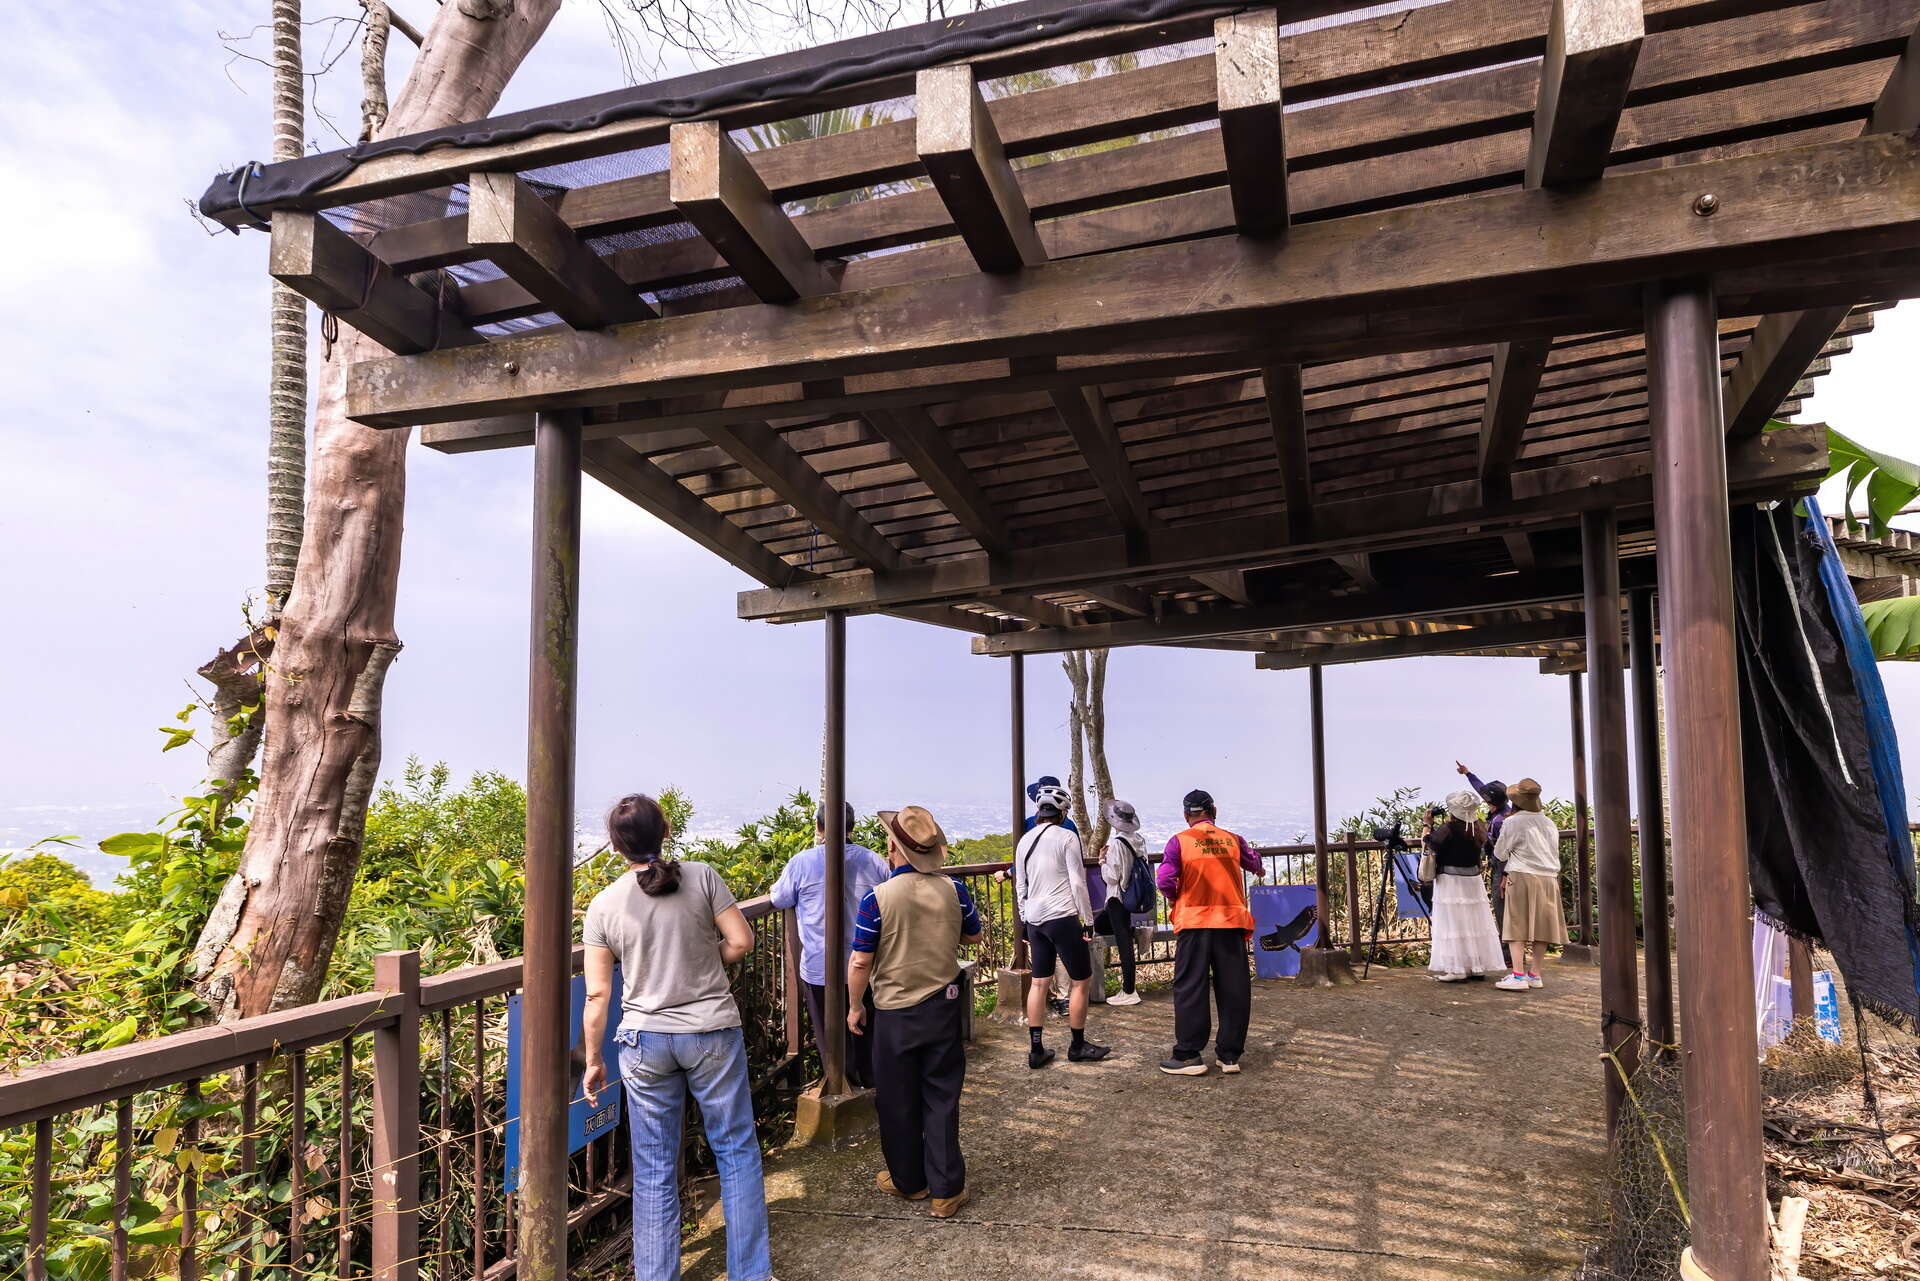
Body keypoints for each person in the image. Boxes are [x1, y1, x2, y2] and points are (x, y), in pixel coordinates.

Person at [581, 794, 772, 1281]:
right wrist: (707, 960)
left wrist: (592, 1060)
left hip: (643, 1041)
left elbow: (598, 994)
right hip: (710, 1032)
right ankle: (750, 1274)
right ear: (666, 831)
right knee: (736, 1151)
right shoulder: (703, 876)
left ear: (615, 845)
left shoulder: (603, 906)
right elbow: (742, 942)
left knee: (653, 1167)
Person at [847, 806, 981, 1219]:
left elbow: (859, 962)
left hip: (894, 1013)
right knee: (941, 1096)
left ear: (892, 847)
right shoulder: (954, 889)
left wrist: (855, 1006)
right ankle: (946, 1191)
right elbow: (972, 937)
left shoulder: (877, 898)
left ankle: (909, 1181)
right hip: (943, 1005)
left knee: (896, 1099)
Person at [767, 802, 888, 1088]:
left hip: (819, 966)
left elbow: (779, 898)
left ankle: (838, 1083)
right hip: (867, 962)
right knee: (866, 1028)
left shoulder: (802, 862)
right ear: (852, 827)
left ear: (819, 828)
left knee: (828, 1034)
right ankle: (869, 1085)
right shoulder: (873, 861)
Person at [1156, 789, 1261, 1076]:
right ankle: (1229, 1056)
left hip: (1195, 923)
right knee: (1234, 989)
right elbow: (1256, 864)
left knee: (1191, 987)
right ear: (1213, 811)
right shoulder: (1233, 839)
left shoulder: (1179, 841)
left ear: (1186, 815)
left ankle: (1189, 1055)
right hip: (1230, 923)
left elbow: (1165, 879)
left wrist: (1175, 895)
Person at [1014, 798, 1112, 1067]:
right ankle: (1078, 1045)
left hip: (1035, 920)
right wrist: (1088, 919)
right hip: (1062, 917)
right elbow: (1078, 882)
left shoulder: (1025, 841)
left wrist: (1024, 919)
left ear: (1038, 813)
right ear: (1062, 813)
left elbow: (1020, 885)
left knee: (1039, 983)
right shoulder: (1067, 837)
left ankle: (1036, 1050)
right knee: (1081, 981)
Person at [1492, 778, 1570, 991]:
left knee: (1516, 925)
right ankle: (1535, 974)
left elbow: (1500, 853)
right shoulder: (1549, 823)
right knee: (1542, 928)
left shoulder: (1512, 822)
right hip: (1548, 877)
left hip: (1522, 874)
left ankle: (1517, 976)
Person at [1424, 790, 1508, 983]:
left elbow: (1430, 844)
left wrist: (1427, 824)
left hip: (1450, 881)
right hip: (1473, 879)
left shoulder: (1449, 828)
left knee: (1453, 921)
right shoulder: (1478, 827)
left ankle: (1456, 968)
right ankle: (1476, 966)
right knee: (1473, 921)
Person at [1456, 761, 1515, 958]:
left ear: (1492, 802)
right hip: (1506, 869)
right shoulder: (1503, 810)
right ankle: (1510, 953)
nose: (1484, 800)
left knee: (1502, 910)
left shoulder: (1499, 822)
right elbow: (1483, 789)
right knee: (1506, 911)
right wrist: (1468, 774)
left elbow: (1503, 850)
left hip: (1504, 870)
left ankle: (1507, 955)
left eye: (1486, 799)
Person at [1097, 798, 1145, 1007]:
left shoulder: (1117, 844)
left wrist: (1101, 862)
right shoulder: (1139, 839)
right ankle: (1138, 931)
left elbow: (1111, 877)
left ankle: (1129, 990)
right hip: (1131, 895)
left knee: (1123, 941)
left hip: (1117, 896)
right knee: (1101, 923)